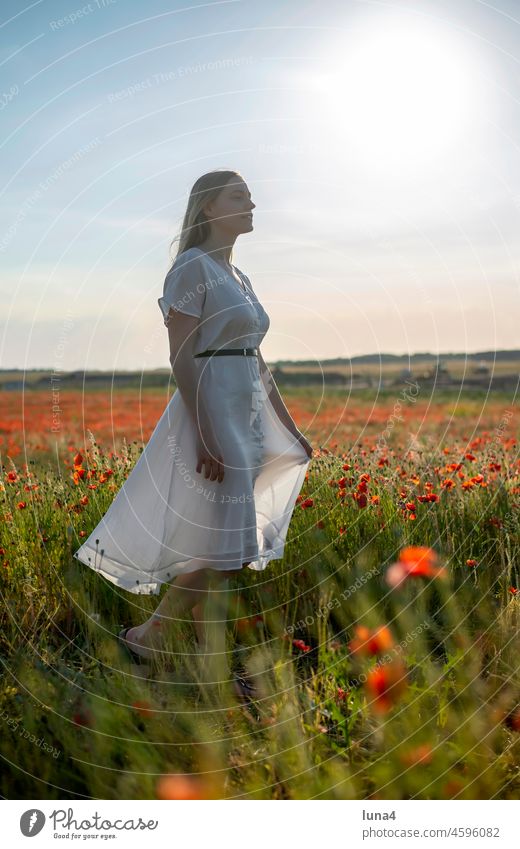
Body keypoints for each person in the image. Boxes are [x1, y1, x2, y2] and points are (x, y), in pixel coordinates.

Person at [73, 168, 313, 697]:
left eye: (251, 196)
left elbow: (256, 360)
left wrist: (289, 429)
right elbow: (181, 355)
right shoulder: (190, 269)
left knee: (224, 551)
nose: (252, 204)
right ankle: (204, 668)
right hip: (210, 411)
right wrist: (205, 431)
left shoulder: (238, 274)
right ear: (209, 207)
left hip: (244, 413)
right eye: (239, 196)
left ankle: (155, 638)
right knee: (226, 550)